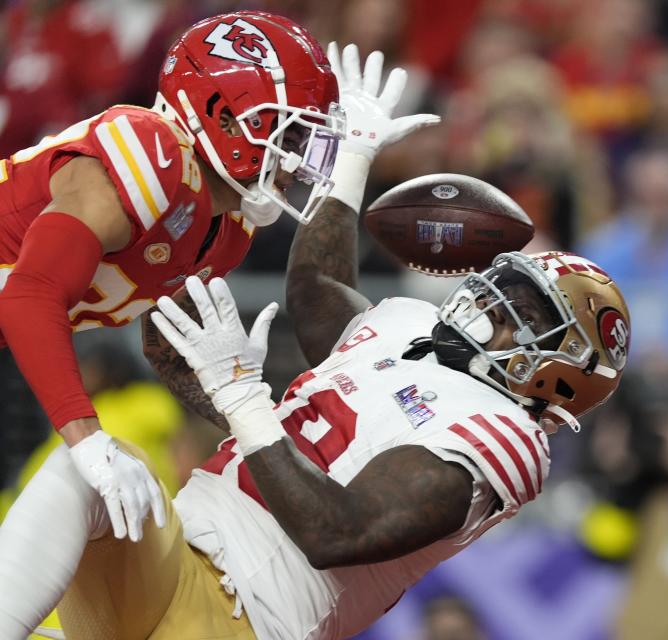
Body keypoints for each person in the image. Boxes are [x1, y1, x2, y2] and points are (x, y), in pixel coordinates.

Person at [0, 57, 631, 634]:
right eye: (505, 287)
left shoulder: (506, 436)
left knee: (95, 475)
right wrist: (353, 158)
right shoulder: (412, 330)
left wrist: (244, 396)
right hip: (177, 552)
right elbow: (318, 284)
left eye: (525, 313)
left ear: (561, 370)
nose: (494, 301)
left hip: (243, 615)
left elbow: (337, 530)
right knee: (93, 469)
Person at [0, 10, 434, 544]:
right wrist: (87, 439)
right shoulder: (148, 153)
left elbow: (166, 346)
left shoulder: (227, 228)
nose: (299, 159)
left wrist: (238, 397)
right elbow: (29, 292)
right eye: (291, 131)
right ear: (223, 118)